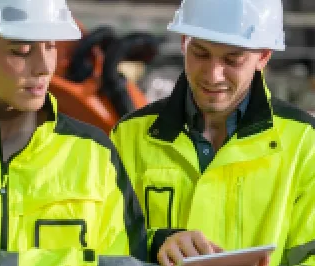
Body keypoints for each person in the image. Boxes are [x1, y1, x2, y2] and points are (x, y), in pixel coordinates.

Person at [0, 0, 147, 265]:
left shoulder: (96, 155)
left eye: (50, 47)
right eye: (22, 51)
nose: (43, 67)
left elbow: (126, 255)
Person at [111, 0, 315, 265]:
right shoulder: (130, 136)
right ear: (184, 42)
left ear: (263, 56)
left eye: (233, 59)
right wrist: (156, 243)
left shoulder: (304, 143)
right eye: (201, 53)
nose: (213, 75)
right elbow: (105, 244)